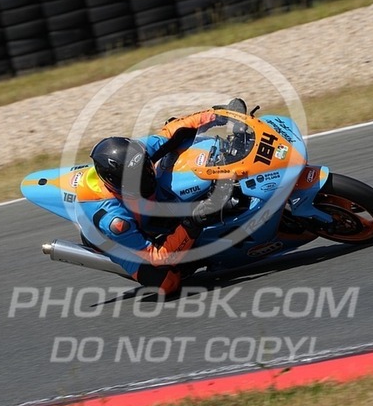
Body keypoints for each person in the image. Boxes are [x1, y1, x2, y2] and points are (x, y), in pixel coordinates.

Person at [77, 99, 247, 294]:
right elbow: (157, 257)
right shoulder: (116, 222)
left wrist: (220, 115)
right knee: (167, 283)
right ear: (117, 183)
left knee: (181, 144)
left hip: (142, 204)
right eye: (136, 178)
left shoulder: (136, 153)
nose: (146, 175)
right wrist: (195, 220)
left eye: (145, 168)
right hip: (117, 243)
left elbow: (173, 131)